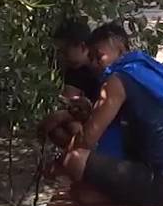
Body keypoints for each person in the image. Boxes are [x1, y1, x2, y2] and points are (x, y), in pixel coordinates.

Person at [58, 23, 163, 206]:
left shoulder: (117, 80)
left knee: (75, 160)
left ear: (121, 49)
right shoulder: (142, 70)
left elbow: (86, 140)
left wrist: (58, 164)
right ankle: (105, 194)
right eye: (91, 57)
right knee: (82, 189)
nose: (94, 64)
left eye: (99, 56)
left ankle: (105, 194)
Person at [37, 17, 128, 159]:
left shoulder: (109, 73)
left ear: (83, 47)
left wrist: (67, 117)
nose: (62, 56)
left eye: (65, 51)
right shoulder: (75, 72)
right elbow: (69, 104)